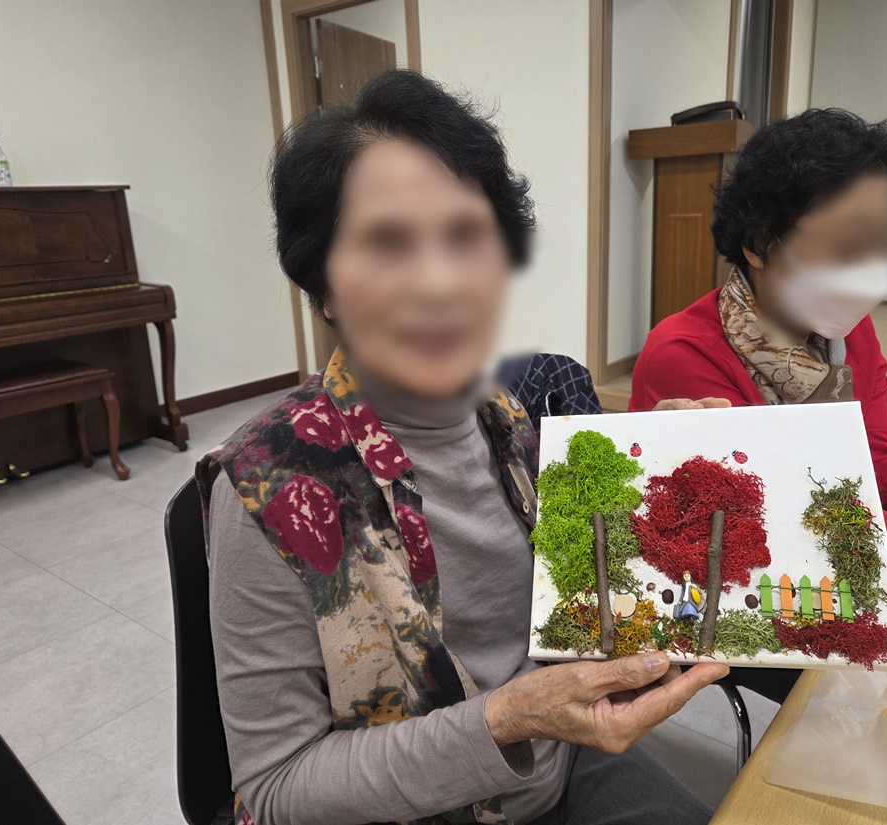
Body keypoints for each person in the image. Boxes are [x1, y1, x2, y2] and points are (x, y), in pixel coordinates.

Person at [199, 70, 728, 825]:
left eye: (466, 237)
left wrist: (660, 471)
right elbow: (277, 787)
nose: (440, 283)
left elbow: (576, 609)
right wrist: (507, 718)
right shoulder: (269, 488)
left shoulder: (512, 417)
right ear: (325, 286)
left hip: (560, 763)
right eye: (386, 244)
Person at [630, 109, 887, 581]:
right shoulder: (685, 354)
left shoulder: (846, 333)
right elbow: (769, 520)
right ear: (760, 242)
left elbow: (874, 466)